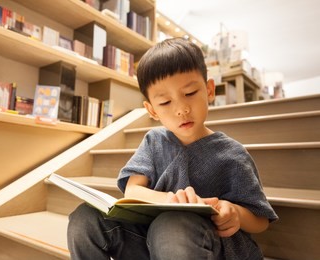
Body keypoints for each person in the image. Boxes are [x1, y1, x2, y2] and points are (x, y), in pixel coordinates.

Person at [67, 37, 278, 260]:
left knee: (170, 227)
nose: (181, 109)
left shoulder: (232, 154)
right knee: (84, 218)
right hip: (150, 242)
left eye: (189, 94)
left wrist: (234, 213)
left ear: (209, 90)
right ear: (152, 110)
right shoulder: (154, 141)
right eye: (165, 103)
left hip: (207, 246)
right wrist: (171, 200)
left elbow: (260, 220)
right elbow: (133, 191)